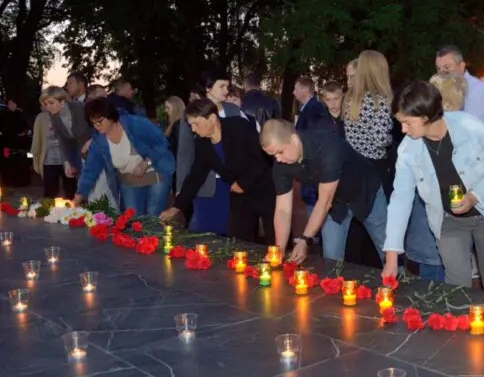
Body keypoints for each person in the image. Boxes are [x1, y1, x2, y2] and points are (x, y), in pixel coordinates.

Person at [381, 82, 484, 293]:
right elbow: (400, 200)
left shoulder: (470, 127)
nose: (403, 130)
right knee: (456, 288)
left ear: (425, 117)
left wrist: (474, 197)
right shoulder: (407, 150)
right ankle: (462, 325)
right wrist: (392, 256)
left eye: (407, 123)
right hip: (448, 221)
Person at [260, 119, 387, 264]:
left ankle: (402, 283)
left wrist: (305, 240)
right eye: (273, 155)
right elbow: (283, 209)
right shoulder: (281, 164)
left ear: (294, 139)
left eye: (280, 152)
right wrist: (279, 249)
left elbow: (324, 202)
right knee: (331, 259)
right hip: (336, 205)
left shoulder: (326, 147)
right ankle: (333, 285)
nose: (278, 159)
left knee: (388, 251)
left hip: (366, 193)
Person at [159, 99, 275, 243]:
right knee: (240, 240)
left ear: (212, 118)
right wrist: (177, 206)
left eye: (196, 124)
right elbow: (196, 177)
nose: (194, 129)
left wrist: (243, 183)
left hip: (262, 188)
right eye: (191, 125)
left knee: (274, 237)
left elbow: (261, 159)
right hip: (239, 196)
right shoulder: (202, 144)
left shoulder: (239, 126)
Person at [73, 97, 175, 214]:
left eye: (100, 121)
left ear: (110, 116)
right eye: (93, 123)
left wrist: (146, 163)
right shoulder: (99, 140)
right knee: (134, 220)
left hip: (156, 175)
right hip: (129, 181)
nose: (97, 126)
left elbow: (162, 143)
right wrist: (79, 195)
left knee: (153, 219)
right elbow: (91, 169)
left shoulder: (136, 124)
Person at [343, 50, 395, 192]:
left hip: (353, 162)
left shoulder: (350, 99)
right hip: (375, 166)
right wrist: (391, 138)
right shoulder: (379, 101)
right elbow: (380, 140)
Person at [435, 45, 484, 129]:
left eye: (446, 67)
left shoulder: (477, 89)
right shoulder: (441, 89)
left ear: (462, 66)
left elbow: (473, 127)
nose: (442, 72)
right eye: (438, 68)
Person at [33, 91, 76, 198]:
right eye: (46, 104)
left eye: (51, 103)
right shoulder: (41, 118)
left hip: (68, 159)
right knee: (49, 193)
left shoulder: (68, 115)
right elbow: (36, 140)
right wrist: (36, 159)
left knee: (71, 191)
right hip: (49, 160)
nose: (48, 106)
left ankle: (74, 212)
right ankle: (47, 213)